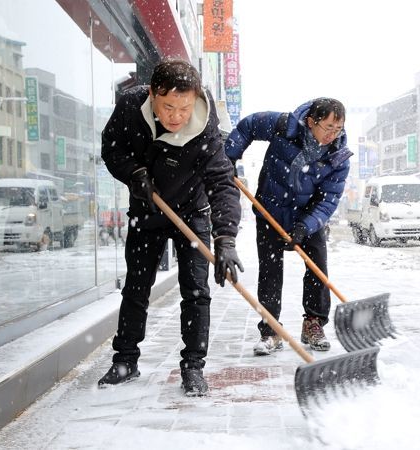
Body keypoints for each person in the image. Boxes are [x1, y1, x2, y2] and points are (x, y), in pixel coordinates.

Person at [98, 59, 243, 396]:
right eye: (168, 107)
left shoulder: (205, 124)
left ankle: (193, 367)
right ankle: (125, 360)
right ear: (152, 94)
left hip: (192, 212)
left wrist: (225, 238)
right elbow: (112, 148)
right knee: (136, 288)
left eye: (184, 108)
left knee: (196, 291)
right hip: (148, 209)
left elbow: (221, 182)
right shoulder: (130, 107)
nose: (177, 116)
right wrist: (134, 173)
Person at [224, 98, 351, 355]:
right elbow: (248, 126)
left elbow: (329, 199)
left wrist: (305, 226)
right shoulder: (284, 125)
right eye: (328, 127)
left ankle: (313, 324)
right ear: (311, 122)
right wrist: (229, 158)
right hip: (270, 209)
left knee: (318, 268)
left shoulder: (338, 156)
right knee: (270, 272)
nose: (332, 135)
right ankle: (271, 331)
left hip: (308, 216)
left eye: (338, 129)